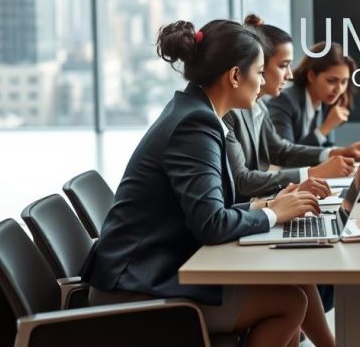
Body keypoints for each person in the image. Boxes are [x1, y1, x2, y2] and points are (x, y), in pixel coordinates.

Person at [81, 20, 335, 347]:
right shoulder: (195, 124)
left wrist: (268, 206)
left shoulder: (195, 111)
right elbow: (211, 224)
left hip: (151, 269)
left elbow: (208, 208)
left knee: (295, 287)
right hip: (135, 288)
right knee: (289, 303)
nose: (262, 82)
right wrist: (273, 215)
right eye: (259, 72)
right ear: (234, 76)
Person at [223, 15, 360, 203]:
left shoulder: (258, 106)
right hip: (242, 212)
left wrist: (336, 153)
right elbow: (242, 181)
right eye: (283, 65)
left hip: (254, 204)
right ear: (258, 64)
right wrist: (311, 173)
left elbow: (281, 150)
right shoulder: (230, 110)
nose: (290, 74)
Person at [268, 42, 355, 147]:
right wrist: (325, 128)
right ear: (312, 76)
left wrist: (349, 153)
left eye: (344, 82)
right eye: (331, 81)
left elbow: (326, 148)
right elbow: (285, 155)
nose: (339, 89)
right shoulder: (284, 101)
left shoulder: (326, 102)